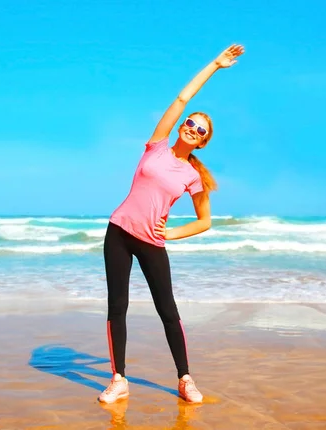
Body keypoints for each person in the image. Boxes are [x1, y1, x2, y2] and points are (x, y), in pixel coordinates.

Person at [98, 44, 245, 404]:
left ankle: (185, 379)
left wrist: (174, 233)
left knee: (168, 311)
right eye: (191, 123)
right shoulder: (157, 146)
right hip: (118, 232)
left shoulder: (193, 176)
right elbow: (182, 97)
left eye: (201, 130)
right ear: (182, 126)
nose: (193, 129)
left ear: (204, 142)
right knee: (117, 306)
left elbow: (205, 221)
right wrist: (215, 64)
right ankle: (119, 379)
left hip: (152, 242)